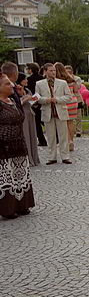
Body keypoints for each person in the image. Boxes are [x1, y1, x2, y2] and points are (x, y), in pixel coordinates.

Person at [0, 74, 35, 219]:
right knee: (7, 177)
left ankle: (21, 205)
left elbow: (20, 116)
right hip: (4, 146)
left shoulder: (13, 100)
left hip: (18, 143)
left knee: (20, 175)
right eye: (7, 84)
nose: (12, 86)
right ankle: (7, 208)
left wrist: (19, 96)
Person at [1, 63, 39, 167]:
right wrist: (24, 99)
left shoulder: (15, 90)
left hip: (18, 136)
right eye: (7, 84)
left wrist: (22, 95)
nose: (11, 86)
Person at [34, 63, 72, 164]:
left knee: (63, 136)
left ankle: (65, 156)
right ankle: (52, 157)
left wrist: (58, 99)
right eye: (51, 71)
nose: (53, 72)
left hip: (60, 111)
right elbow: (37, 98)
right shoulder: (39, 84)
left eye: (54, 70)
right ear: (45, 71)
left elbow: (69, 96)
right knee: (50, 136)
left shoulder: (62, 83)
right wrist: (46, 100)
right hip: (47, 112)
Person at [54, 62, 81, 152]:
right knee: (70, 122)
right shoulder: (71, 78)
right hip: (73, 101)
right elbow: (76, 90)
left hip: (64, 102)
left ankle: (68, 141)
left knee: (64, 122)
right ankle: (71, 140)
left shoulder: (57, 80)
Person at [25, 63, 46, 146]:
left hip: (34, 101)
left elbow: (31, 91)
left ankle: (42, 140)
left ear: (30, 70)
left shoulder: (29, 79)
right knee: (44, 121)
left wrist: (33, 102)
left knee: (37, 123)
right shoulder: (42, 78)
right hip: (42, 100)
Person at [65, 65, 84, 138]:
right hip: (67, 100)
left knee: (78, 116)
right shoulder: (63, 79)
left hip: (77, 99)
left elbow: (78, 87)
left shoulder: (77, 78)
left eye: (69, 72)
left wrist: (72, 79)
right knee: (69, 118)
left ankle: (79, 131)